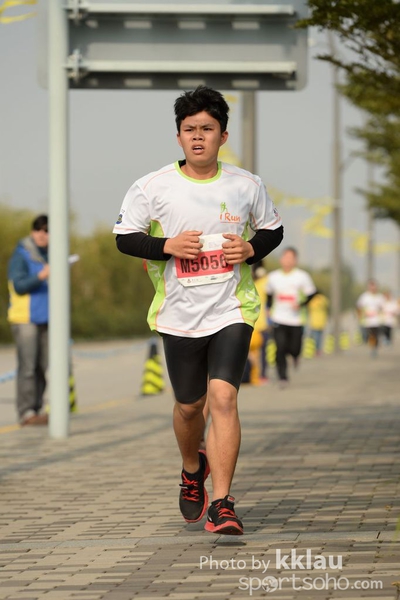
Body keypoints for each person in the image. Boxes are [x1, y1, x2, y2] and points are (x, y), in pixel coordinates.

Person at [113, 85, 283, 535]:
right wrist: (166, 245)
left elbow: (273, 230)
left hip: (232, 307)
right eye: (189, 129)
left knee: (223, 398)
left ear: (222, 136)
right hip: (178, 312)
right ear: (179, 137)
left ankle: (222, 503)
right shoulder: (152, 187)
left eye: (207, 129)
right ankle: (193, 468)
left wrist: (250, 249)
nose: (198, 136)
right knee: (190, 408)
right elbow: (125, 238)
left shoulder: (246, 185)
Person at [7, 215, 50, 426]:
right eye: (39, 230)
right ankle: (26, 412)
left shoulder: (52, 254)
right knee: (28, 368)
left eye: (47, 231)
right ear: (33, 232)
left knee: (43, 367)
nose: (42, 234)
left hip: (47, 318)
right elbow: (19, 286)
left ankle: (37, 408)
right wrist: (42, 276)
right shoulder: (22, 254)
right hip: (25, 319)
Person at [266, 247, 317, 387]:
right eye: (285, 257)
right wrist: (268, 309)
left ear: (295, 260)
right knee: (280, 347)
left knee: (295, 348)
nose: (287, 261)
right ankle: (283, 377)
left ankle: (295, 357)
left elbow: (312, 294)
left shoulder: (302, 276)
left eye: (290, 258)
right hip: (278, 318)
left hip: (296, 319)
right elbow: (269, 295)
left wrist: (301, 304)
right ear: (281, 259)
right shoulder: (273, 277)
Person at [356, 279, 385, 356]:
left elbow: (383, 308)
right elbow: (359, 307)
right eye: (371, 286)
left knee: (376, 335)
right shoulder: (364, 296)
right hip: (367, 321)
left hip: (377, 321)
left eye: (374, 286)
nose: (373, 288)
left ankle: (374, 348)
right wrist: (359, 316)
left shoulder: (380, 297)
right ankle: (372, 348)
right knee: (370, 335)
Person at [307, 291, 329, 355]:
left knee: (315, 337)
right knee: (320, 337)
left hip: (314, 321)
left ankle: (315, 349)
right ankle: (319, 349)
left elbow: (308, 307)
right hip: (322, 321)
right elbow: (327, 306)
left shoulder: (312, 300)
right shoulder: (324, 299)